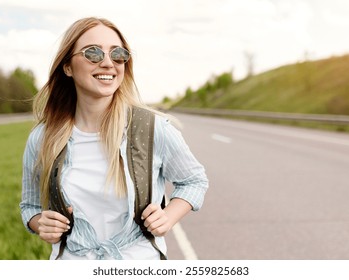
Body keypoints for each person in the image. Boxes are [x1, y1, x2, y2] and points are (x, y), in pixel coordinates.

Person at [20, 17, 209, 260]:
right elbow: (30, 207)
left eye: (118, 54)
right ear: (67, 67)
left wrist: (168, 216)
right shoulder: (43, 138)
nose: (108, 63)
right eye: (93, 53)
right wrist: (40, 224)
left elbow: (194, 180)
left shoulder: (152, 128)